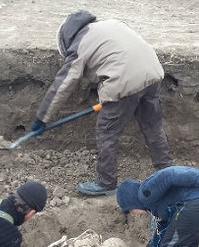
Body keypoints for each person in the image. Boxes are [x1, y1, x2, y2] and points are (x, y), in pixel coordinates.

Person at [30, 10, 173, 197]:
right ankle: (168, 172)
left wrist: (42, 117)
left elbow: (63, 83)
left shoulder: (79, 43)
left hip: (125, 79)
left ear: (67, 38)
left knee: (107, 131)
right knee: (153, 126)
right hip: (153, 72)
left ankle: (106, 182)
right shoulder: (111, 24)